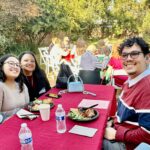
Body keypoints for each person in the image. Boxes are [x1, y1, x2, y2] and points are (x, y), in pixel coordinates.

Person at [103, 37, 150, 150]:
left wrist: (115, 134)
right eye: (124, 55)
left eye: (134, 54)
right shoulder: (130, 81)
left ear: (147, 58)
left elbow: (148, 134)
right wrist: (112, 122)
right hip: (119, 132)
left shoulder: (147, 88)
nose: (128, 59)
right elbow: (124, 115)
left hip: (128, 145)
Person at [0, 54, 29, 122]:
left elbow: (27, 108)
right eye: (11, 63)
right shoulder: (1, 86)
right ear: (1, 66)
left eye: (17, 65)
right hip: (6, 126)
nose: (15, 66)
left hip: (23, 123)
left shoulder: (23, 86)